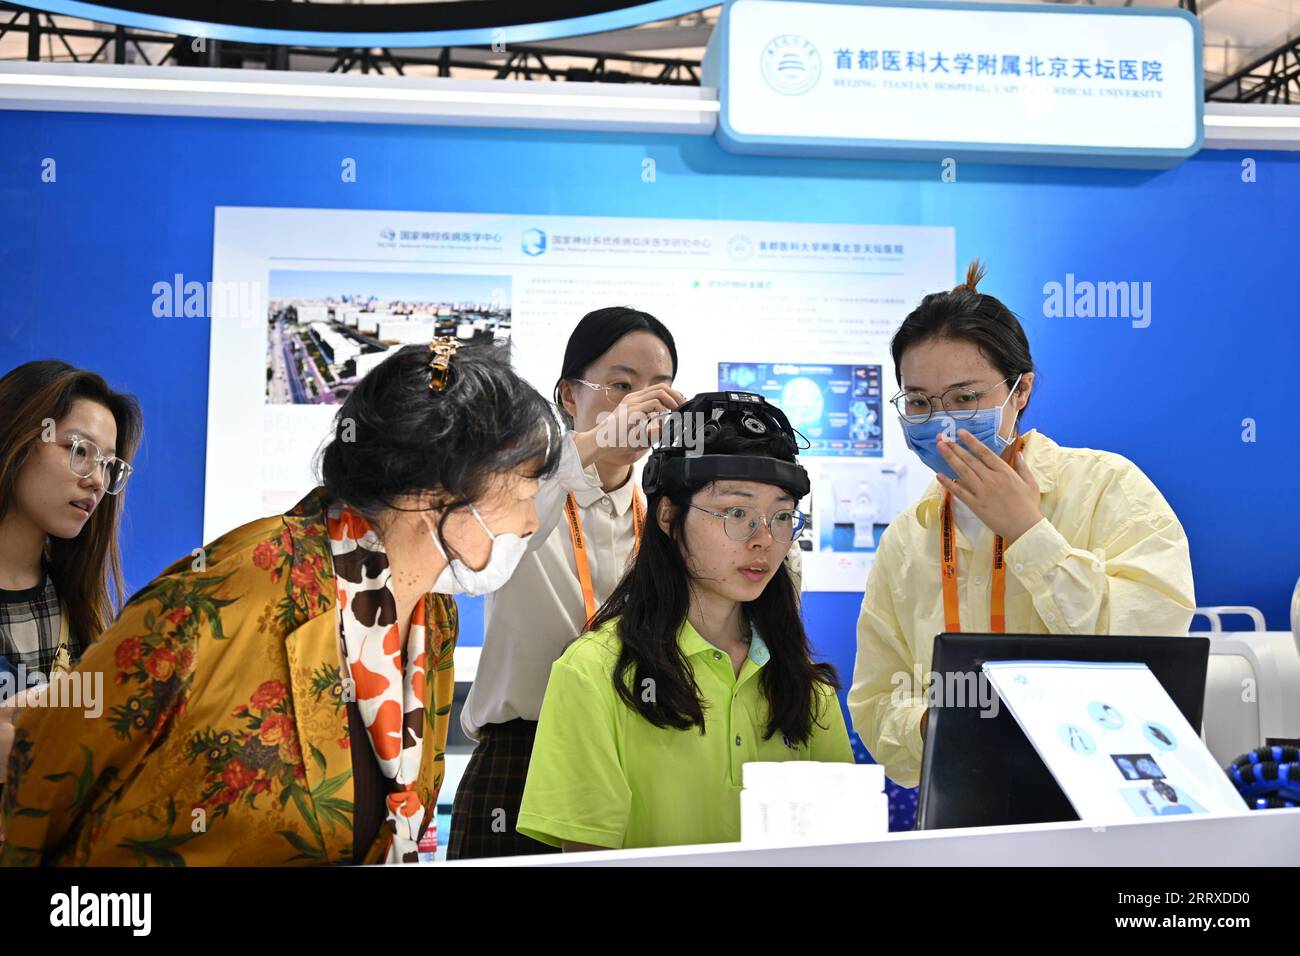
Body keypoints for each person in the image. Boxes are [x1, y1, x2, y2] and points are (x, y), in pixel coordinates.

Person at [0, 340, 560, 865]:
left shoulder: (432, 619)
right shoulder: (228, 594)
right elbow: (44, 784)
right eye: (524, 492)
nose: (532, 521)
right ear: (435, 490)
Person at [848, 261, 1195, 789]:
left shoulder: (1106, 488)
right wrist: (940, 725)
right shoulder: (906, 538)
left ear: (1022, 390)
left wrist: (1031, 534)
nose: (942, 421)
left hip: (1107, 794)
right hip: (964, 805)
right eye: (919, 402)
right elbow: (876, 699)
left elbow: (1153, 644)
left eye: (966, 398)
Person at [517, 391, 852, 851]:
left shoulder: (801, 682)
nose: (764, 540)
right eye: (737, 512)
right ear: (669, 516)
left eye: (781, 516)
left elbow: (845, 850)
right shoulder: (593, 673)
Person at [448, 306, 685, 858]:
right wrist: (598, 439)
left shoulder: (668, 519)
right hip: (521, 756)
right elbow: (480, 546)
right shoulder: (525, 492)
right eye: (620, 386)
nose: (639, 405)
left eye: (659, 389)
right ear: (569, 395)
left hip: (636, 752)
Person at [0, 360, 142, 680]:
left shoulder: (79, 609)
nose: (96, 480)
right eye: (79, 450)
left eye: (107, 464)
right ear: (14, 437)